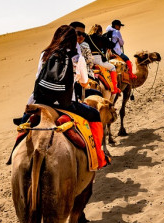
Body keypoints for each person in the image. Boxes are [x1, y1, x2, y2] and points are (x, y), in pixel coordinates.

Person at [19, 25, 109, 169]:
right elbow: (84, 83)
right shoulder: (77, 57)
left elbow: (38, 77)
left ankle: (14, 153)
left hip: (41, 101)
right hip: (66, 104)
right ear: (73, 40)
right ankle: (99, 156)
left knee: (23, 124)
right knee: (94, 115)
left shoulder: (45, 54)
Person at [85, 24, 121, 94]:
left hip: (88, 61)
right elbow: (111, 45)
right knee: (113, 67)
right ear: (100, 31)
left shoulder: (87, 38)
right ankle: (114, 88)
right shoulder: (102, 38)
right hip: (98, 60)